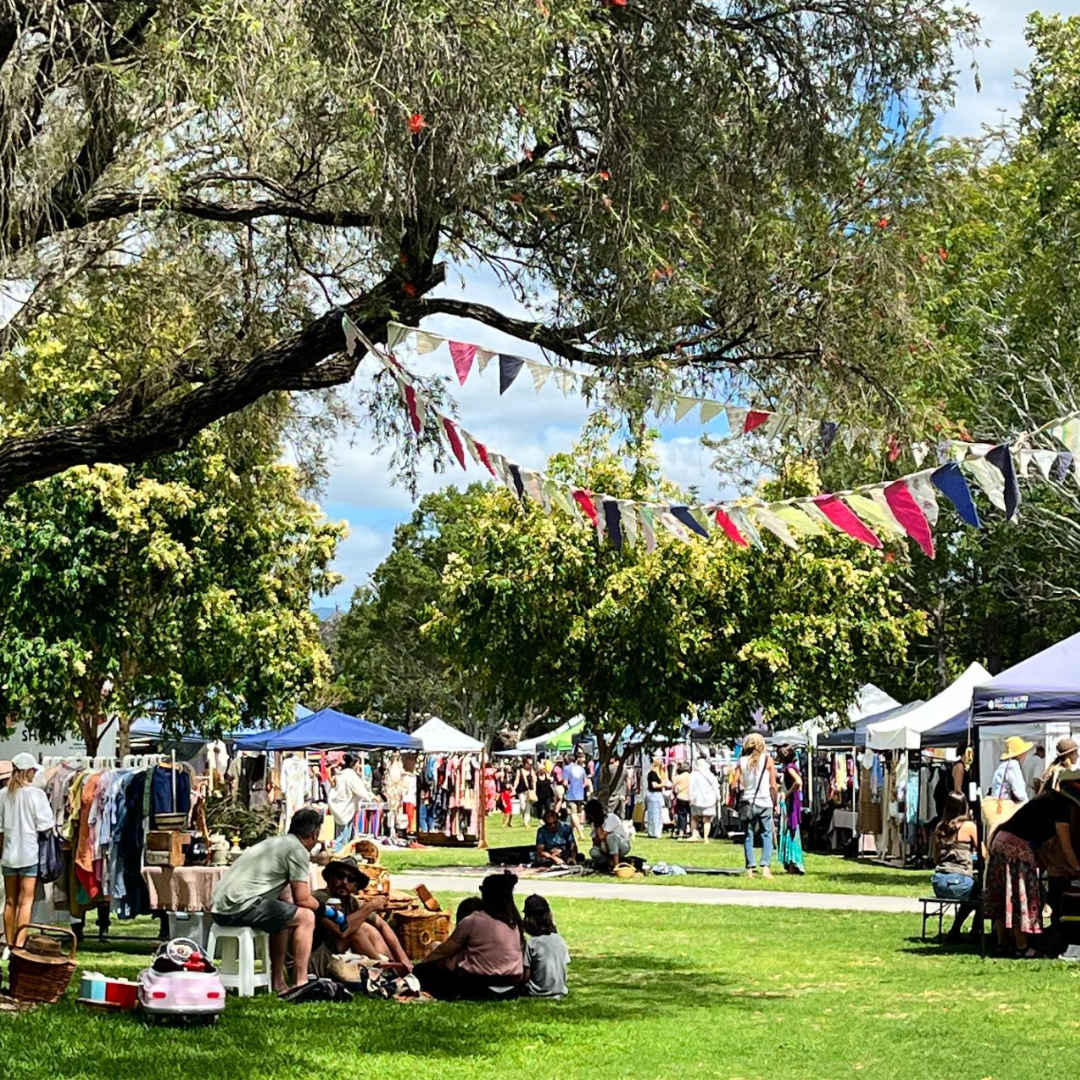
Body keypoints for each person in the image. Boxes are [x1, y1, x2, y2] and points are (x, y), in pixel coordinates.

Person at [212, 808, 339, 996]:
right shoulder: (298, 850)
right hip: (239, 907)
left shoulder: (276, 843)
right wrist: (330, 912)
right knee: (306, 917)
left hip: (221, 907)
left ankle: (278, 980)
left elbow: (287, 898)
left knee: (285, 915)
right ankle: (301, 981)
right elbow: (302, 899)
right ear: (314, 833)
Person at [985, 789, 1080, 956]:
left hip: (1000, 841)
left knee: (1003, 895)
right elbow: (1066, 848)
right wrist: (1077, 868)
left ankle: (1002, 942)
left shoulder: (1042, 804)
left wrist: (1067, 868)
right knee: (1021, 897)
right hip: (1017, 849)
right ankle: (1023, 947)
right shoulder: (1061, 809)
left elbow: (1047, 853)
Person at [414, 873, 525, 1000]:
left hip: (480, 985)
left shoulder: (474, 920)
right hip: (512, 986)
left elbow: (445, 950)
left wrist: (423, 963)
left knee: (426, 971)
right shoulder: (514, 922)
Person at [310, 856, 411, 975]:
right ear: (331, 878)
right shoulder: (320, 898)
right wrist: (369, 907)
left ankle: (395, 968)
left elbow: (382, 925)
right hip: (312, 961)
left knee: (368, 928)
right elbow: (341, 931)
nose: (344, 882)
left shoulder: (351, 901)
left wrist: (404, 960)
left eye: (351, 879)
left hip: (333, 956)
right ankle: (387, 973)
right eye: (340, 876)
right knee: (357, 931)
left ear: (355, 886)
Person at [0, 753, 54, 948]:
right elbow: (45, 824)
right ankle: (19, 943)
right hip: (29, 853)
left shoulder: (3, 795)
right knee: (26, 901)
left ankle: (8, 942)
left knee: (10, 901)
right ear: (28, 771)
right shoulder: (35, 795)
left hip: (8, 855)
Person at [931, 791, 979, 940]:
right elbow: (983, 852)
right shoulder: (969, 826)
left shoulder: (939, 828)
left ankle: (955, 930)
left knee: (974, 892)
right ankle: (974, 932)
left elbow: (934, 858)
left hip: (939, 882)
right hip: (960, 882)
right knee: (982, 893)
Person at [733, 734, 777, 876]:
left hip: (748, 801)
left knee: (748, 835)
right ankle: (765, 868)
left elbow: (733, 784)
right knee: (766, 834)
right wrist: (775, 802)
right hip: (765, 801)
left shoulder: (741, 761)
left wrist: (743, 788)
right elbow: (773, 785)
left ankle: (750, 869)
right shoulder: (768, 760)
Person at [522, 894, 570, 998]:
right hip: (560, 990)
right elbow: (564, 966)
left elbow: (526, 975)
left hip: (536, 991)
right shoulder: (559, 940)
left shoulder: (532, 943)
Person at [328, 753, 374, 849]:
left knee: (345, 834)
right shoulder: (350, 775)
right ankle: (339, 855)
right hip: (346, 807)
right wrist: (371, 797)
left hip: (342, 806)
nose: (359, 766)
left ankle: (343, 854)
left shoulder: (341, 774)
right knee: (343, 836)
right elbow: (360, 790)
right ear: (354, 763)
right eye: (358, 763)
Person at [775, 744, 805, 876]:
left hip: (790, 803)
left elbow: (798, 782)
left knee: (790, 831)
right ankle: (792, 864)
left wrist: (788, 793)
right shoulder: (792, 767)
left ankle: (793, 864)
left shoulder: (789, 768)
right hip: (793, 802)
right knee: (791, 831)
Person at [583, 798, 630, 871]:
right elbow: (595, 841)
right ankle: (610, 862)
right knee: (593, 852)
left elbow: (601, 836)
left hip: (622, 845)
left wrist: (598, 825)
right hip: (606, 848)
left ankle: (616, 866)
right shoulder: (594, 824)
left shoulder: (611, 818)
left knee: (610, 837)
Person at [988, 736, 1032, 804]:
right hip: (1005, 804)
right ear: (1020, 754)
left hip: (997, 802)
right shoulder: (1013, 764)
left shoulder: (1003, 764)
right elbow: (1019, 790)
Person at [688, 757, 721, 844]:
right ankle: (706, 838)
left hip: (696, 799)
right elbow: (715, 787)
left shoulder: (693, 774)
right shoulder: (710, 775)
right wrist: (718, 797)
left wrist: (690, 797)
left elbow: (690, 787)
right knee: (707, 820)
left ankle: (694, 835)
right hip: (709, 799)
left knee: (694, 818)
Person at [563, 752, 591, 840]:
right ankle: (569, 835)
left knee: (573, 813)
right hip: (580, 794)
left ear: (567, 759)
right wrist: (580, 787)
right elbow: (586, 782)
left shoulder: (566, 768)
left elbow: (565, 782)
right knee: (576, 814)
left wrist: (568, 788)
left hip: (571, 794)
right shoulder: (581, 768)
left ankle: (581, 833)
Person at [644, 757, 668, 839]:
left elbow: (664, 778)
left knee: (658, 814)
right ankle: (654, 832)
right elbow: (654, 785)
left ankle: (655, 831)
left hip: (658, 794)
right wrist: (663, 785)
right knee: (654, 814)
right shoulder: (652, 774)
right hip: (654, 794)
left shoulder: (659, 773)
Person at [515, 758, 538, 826]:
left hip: (529, 791)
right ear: (525, 763)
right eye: (529, 764)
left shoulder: (532, 771)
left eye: (531, 764)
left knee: (527, 806)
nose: (530, 765)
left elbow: (534, 781)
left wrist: (534, 791)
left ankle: (526, 821)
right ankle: (524, 816)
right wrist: (514, 788)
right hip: (521, 790)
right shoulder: (519, 771)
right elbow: (517, 780)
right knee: (522, 806)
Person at [672, 763, 692, 838]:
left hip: (681, 797)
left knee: (682, 815)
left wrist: (674, 770)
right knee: (691, 815)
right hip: (690, 797)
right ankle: (692, 831)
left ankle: (681, 831)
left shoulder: (679, 777)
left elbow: (672, 782)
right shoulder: (691, 776)